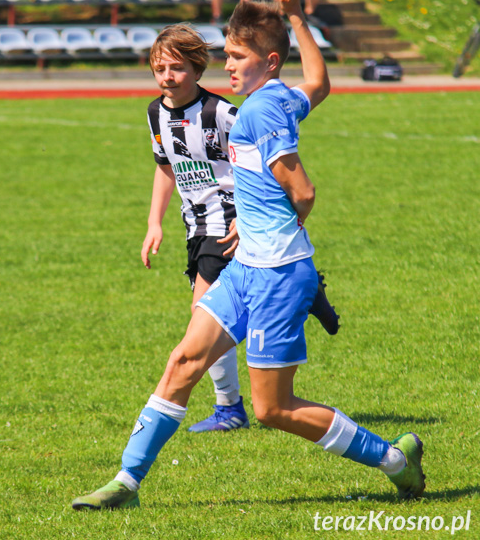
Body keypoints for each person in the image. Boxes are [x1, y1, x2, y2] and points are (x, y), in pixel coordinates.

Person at [71, 0, 425, 510]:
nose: (228, 66)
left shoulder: (259, 110)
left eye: (237, 57)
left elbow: (302, 190)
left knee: (272, 410)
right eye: (229, 56)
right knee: (184, 361)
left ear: (268, 62)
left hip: (279, 273)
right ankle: (126, 481)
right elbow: (322, 85)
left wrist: (277, 225)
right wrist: (299, 19)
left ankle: (394, 459)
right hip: (244, 269)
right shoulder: (280, 96)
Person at [140, 24, 339, 434]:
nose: (167, 77)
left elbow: (258, 164)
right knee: (211, 318)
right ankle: (308, 292)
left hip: (228, 225)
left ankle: (229, 407)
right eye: (159, 69)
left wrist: (249, 219)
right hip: (195, 226)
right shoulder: (155, 113)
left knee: (202, 317)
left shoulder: (224, 113)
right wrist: (153, 222)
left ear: (197, 69)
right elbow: (166, 168)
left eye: (176, 68)